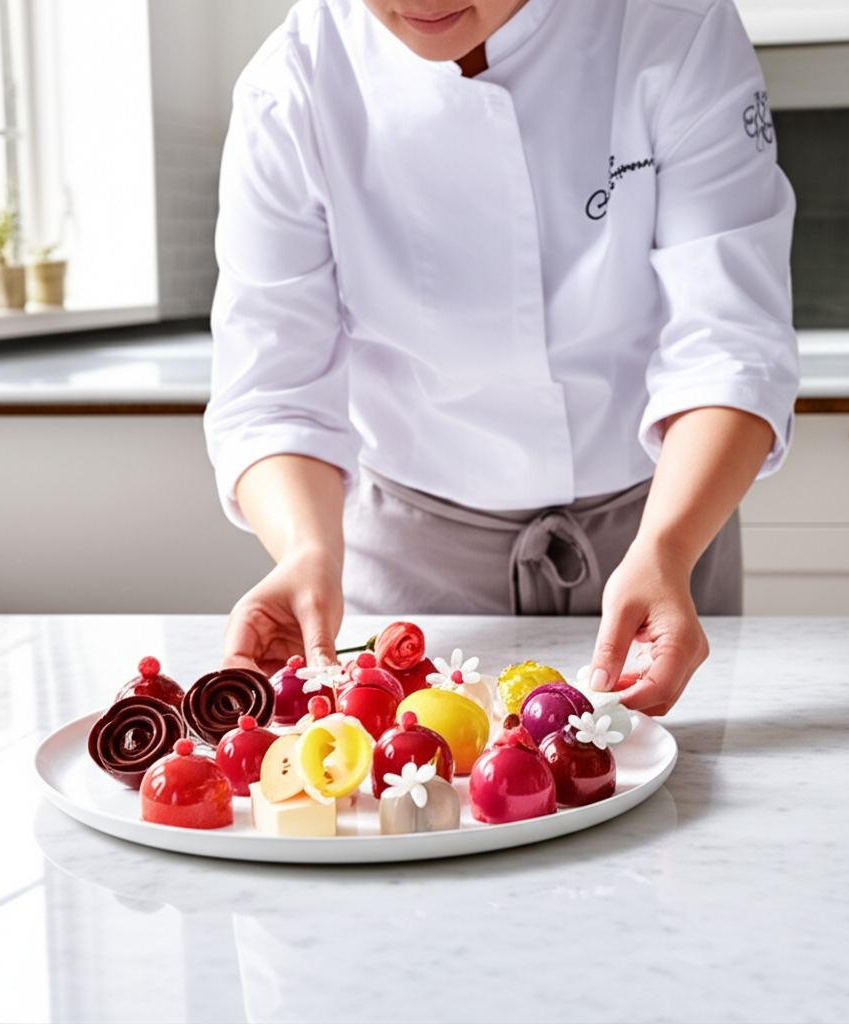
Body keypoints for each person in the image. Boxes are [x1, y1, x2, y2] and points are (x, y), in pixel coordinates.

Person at [204, 0, 799, 715]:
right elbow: (276, 395)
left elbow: (728, 341)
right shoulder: (292, 87)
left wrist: (668, 547)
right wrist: (305, 549)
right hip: (410, 559)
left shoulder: (673, 26)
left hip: (662, 520)